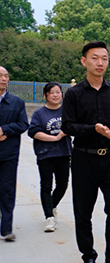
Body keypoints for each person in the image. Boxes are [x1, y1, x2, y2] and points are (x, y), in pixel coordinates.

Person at [62, 41, 110, 263]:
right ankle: (88, 257)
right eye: (95, 58)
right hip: (84, 159)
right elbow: (67, 126)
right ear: (84, 61)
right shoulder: (74, 94)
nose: (100, 63)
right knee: (83, 212)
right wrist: (92, 129)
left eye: (104, 58)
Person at [28, 82, 73, 233]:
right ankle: (49, 217)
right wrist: (54, 138)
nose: (55, 95)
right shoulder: (39, 113)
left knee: (62, 185)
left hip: (63, 153)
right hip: (45, 154)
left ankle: (51, 206)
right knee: (46, 186)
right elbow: (33, 132)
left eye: (58, 92)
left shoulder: (67, 111)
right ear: (45, 95)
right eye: (52, 92)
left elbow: (74, 127)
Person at [0, 66, 29, 242]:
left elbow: (23, 124)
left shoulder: (17, 102)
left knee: (7, 190)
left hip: (8, 154)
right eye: (0, 76)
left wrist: (4, 130)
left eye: (6, 76)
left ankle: (6, 229)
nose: (4, 79)